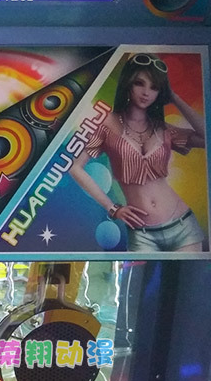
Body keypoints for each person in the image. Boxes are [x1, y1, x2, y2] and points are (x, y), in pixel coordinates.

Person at [70, 53, 206, 252]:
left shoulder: (162, 128)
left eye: (154, 87)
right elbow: (75, 168)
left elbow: (206, 137)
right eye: (139, 83)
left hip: (183, 226)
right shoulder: (108, 124)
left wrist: (174, 98)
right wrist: (112, 208)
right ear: (128, 83)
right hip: (142, 234)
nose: (146, 92)